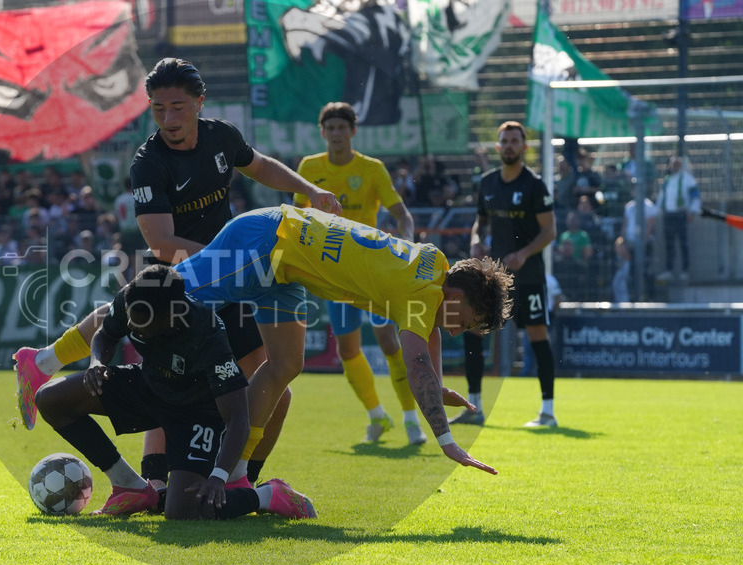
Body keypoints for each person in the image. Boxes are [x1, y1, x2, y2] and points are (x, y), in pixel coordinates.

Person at [12, 58, 341, 490]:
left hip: (227, 279)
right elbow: (161, 241)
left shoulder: (222, 137)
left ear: (200, 103)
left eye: (178, 107)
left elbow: (258, 165)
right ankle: (167, 483)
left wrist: (310, 190)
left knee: (270, 386)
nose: (168, 118)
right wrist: (232, 262)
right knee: (174, 378)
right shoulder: (149, 163)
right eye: (158, 108)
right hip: (182, 286)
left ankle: (237, 480)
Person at [164, 204, 510, 483]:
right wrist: (447, 441)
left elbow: (430, 332)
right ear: (457, 294)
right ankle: (107, 327)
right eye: (463, 322)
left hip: (287, 267)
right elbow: (416, 363)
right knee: (162, 302)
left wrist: (438, 383)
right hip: (269, 239)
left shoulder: (435, 267)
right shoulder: (420, 295)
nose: (455, 332)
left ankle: (237, 473)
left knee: (286, 364)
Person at [34, 265, 318, 519]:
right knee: (50, 399)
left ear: (173, 314)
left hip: (195, 413)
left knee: (182, 510)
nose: (132, 327)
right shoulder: (132, 297)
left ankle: (268, 495)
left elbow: (238, 416)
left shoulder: (206, 333)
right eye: (131, 320)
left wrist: (219, 477)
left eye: (141, 323)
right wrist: (97, 363)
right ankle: (129, 486)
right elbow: (106, 334)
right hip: (147, 387)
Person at [294, 101, 425, 445]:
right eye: (330, 128)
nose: (336, 134)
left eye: (342, 127)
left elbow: (403, 215)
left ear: (353, 131)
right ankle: (377, 417)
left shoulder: (372, 169)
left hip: (370, 269)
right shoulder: (309, 166)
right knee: (348, 351)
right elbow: (295, 218)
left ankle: (412, 419)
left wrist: (407, 240)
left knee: (387, 341)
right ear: (323, 133)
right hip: (333, 273)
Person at [453, 121, 558, 428]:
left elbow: (550, 230)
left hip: (529, 276)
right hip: (492, 277)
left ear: (524, 147)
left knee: (537, 335)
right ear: (498, 147)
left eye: (515, 140)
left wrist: (524, 253)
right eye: (505, 141)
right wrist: (475, 239)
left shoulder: (535, 185)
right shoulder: (487, 183)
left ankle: (548, 412)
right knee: (471, 329)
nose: (510, 145)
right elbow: (480, 222)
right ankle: (475, 409)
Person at [655, 155, 700, 283]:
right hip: (668, 215)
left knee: (683, 243)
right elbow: (661, 198)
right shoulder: (667, 180)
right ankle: (669, 270)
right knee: (669, 244)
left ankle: (685, 270)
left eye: (677, 164)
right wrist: (656, 212)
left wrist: (693, 211)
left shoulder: (687, 179)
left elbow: (695, 196)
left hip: (680, 214)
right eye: (672, 164)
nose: (674, 166)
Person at [612, 191, 659, 302]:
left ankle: (650, 297)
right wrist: (622, 243)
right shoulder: (629, 206)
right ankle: (631, 296)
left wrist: (641, 246)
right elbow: (625, 226)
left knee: (645, 270)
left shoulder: (649, 206)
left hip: (644, 245)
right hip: (630, 244)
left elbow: (649, 228)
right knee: (630, 270)